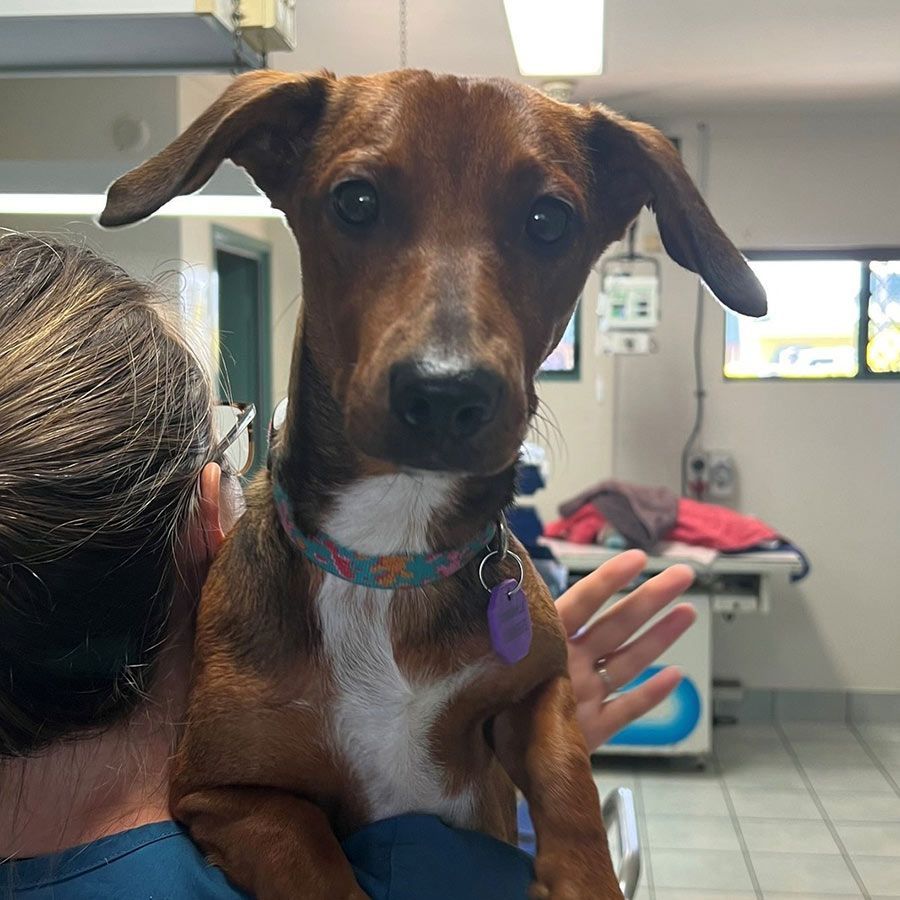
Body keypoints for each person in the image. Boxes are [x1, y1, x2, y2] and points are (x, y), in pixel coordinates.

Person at [0, 235, 696, 898]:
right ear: (205, 523)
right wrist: (473, 842)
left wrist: (467, 741)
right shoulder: (419, 874)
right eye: (230, 440)